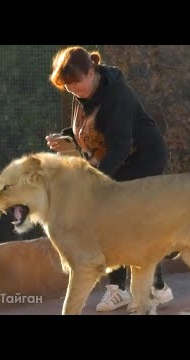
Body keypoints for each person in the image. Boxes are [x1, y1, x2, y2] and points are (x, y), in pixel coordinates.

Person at [46, 46, 174, 312]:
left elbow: (118, 146)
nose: (73, 89)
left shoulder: (118, 96)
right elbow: (91, 126)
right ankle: (143, 288)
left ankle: (142, 289)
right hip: (116, 157)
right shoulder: (83, 91)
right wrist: (67, 136)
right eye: (68, 86)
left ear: (91, 72)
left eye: (76, 83)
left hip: (143, 157)